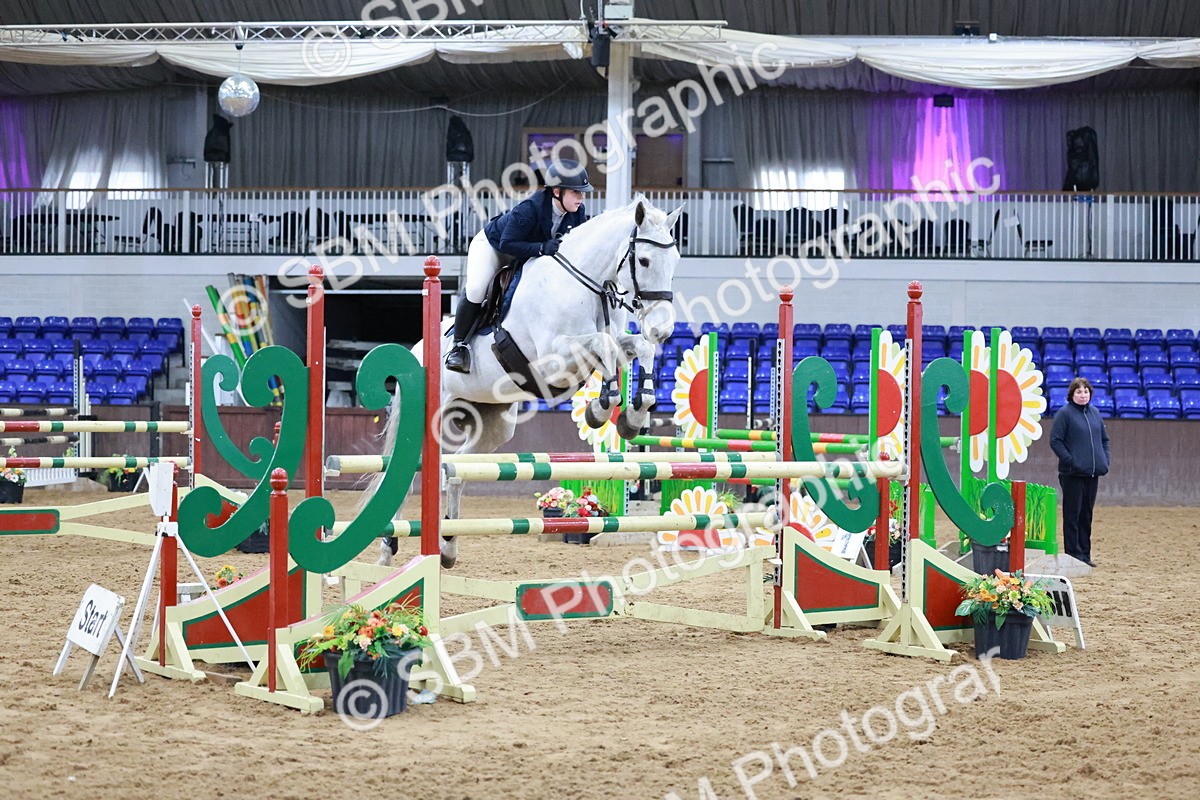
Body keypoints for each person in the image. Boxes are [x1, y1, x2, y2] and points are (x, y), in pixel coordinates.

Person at [444, 160, 592, 374]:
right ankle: (459, 347)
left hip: (526, 254)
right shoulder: (530, 208)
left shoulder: (577, 213)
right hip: (494, 248)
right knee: (477, 288)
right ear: (557, 191)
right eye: (576, 192)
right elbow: (507, 243)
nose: (581, 197)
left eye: (582, 192)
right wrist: (541, 248)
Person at [1049, 376, 1110, 567]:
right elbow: (1056, 441)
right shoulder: (1064, 414)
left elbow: (1104, 440)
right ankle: (1073, 555)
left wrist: (1104, 460)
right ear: (1072, 394)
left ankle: (1085, 554)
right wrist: (1071, 461)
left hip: (1092, 474)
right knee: (1072, 515)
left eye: (1085, 391)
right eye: (1079, 391)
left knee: (1086, 515)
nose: (1083, 395)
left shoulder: (1095, 413)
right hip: (1072, 474)